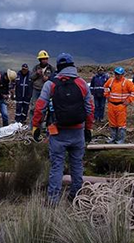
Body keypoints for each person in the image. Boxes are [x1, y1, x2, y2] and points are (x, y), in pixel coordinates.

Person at [32, 53, 93, 204]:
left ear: (58, 67)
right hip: (78, 131)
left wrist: (36, 126)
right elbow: (90, 109)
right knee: (77, 165)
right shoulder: (82, 84)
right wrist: (88, 129)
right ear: (73, 66)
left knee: (56, 167)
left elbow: (40, 108)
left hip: (57, 132)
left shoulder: (50, 84)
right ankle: (75, 196)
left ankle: (53, 200)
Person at [104, 67, 134, 144]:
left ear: (122, 74)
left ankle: (120, 139)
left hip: (121, 106)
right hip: (111, 105)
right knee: (112, 123)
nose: (117, 76)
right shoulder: (111, 81)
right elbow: (105, 87)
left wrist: (129, 100)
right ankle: (113, 138)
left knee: (121, 124)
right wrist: (107, 95)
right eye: (116, 74)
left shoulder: (127, 83)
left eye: (119, 74)